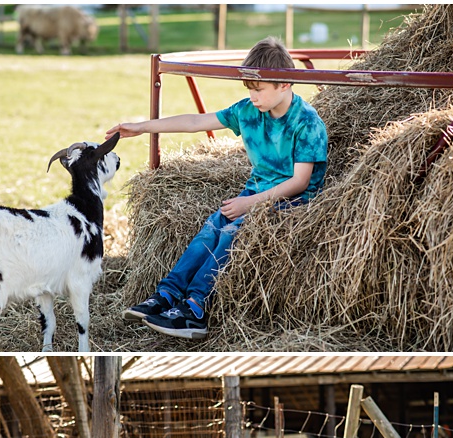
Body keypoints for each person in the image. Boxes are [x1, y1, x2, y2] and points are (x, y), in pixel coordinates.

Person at [107, 37, 328, 339]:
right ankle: (167, 295)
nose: (252, 96)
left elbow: (299, 182)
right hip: (256, 192)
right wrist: (141, 126)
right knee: (211, 227)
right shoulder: (249, 111)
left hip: (295, 202)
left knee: (231, 233)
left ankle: (195, 308)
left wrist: (247, 205)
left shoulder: (307, 123)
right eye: (248, 89)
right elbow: (195, 122)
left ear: (285, 84)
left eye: (258, 89)